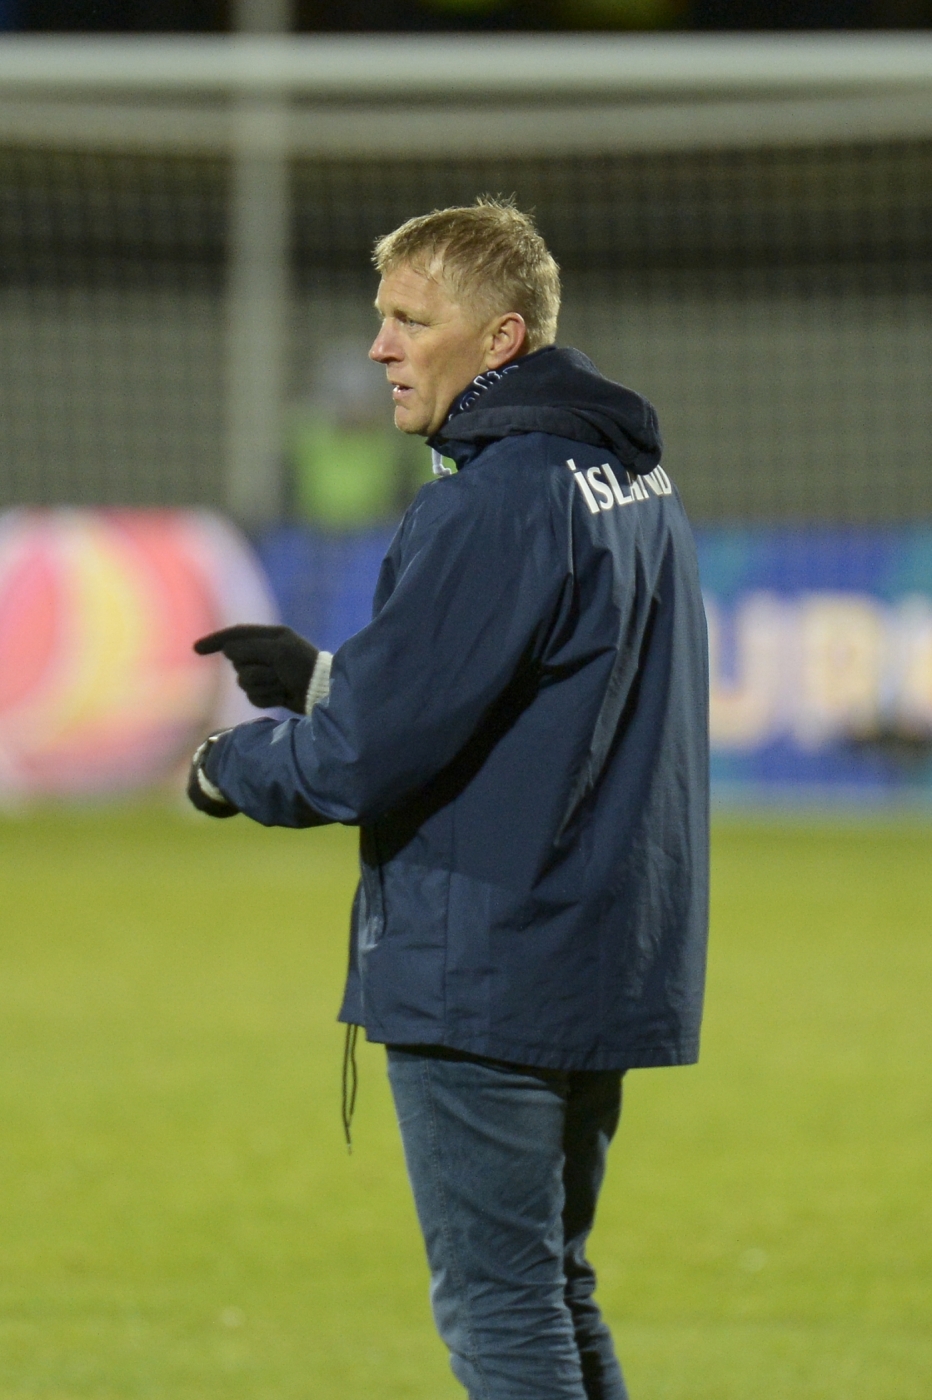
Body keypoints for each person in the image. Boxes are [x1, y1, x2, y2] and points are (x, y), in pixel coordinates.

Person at [188, 198, 710, 1400]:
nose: (377, 347)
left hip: (487, 968)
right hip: (592, 949)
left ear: (500, 340)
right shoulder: (627, 478)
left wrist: (227, 765)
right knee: (551, 1284)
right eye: (381, 317)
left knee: (499, 1305)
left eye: (409, 321)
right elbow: (523, 692)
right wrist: (326, 674)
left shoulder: (488, 502)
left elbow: (358, 761)